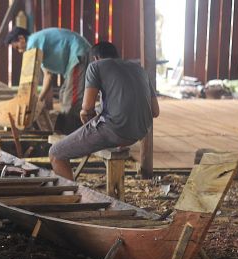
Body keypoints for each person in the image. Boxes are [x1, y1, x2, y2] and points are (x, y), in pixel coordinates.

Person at [48, 41, 160, 180]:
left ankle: (71, 195)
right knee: (99, 116)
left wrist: (85, 114)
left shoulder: (96, 66)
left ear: (95, 58)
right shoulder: (139, 69)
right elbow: (155, 111)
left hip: (116, 131)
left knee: (56, 153)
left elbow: (87, 107)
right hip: (140, 132)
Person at [5, 27, 91, 133]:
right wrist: (39, 99)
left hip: (78, 53)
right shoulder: (38, 46)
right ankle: (70, 131)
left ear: (21, 38)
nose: (19, 51)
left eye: (17, 47)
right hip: (73, 59)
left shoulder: (33, 43)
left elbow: (30, 78)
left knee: (72, 98)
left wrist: (33, 100)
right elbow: (48, 76)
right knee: (63, 93)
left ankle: (76, 132)